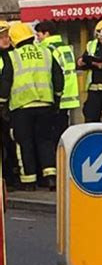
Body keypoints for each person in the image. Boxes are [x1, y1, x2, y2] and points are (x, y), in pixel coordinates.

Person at [0, 23, 64, 191]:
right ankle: (50, 177)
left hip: (22, 106)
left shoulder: (12, 57)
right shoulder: (46, 52)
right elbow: (58, 78)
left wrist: (2, 103)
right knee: (45, 141)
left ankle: (28, 181)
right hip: (45, 104)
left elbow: (6, 82)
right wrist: (56, 99)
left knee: (24, 142)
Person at [35, 21, 79, 145]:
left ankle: (55, 160)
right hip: (68, 95)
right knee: (63, 131)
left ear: (46, 34)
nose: (37, 38)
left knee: (52, 134)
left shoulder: (47, 49)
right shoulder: (65, 47)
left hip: (55, 96)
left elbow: (48, 74)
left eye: (39, 35)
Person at [0, 21, 19, 190]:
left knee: (11, 143)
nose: (5, 40)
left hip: (13, 105)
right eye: (1, 37)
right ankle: (7, 177)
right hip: (3, 106)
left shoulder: (14, 54)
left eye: (6, 36)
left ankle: (12, 176)